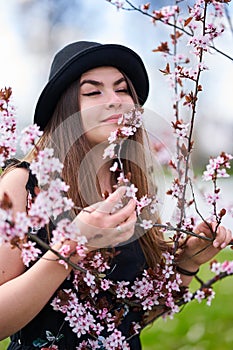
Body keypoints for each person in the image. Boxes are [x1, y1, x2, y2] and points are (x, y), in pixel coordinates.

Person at [0, 41, 231, 350]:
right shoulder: (23, 185)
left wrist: (187, 263)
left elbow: (132, 319)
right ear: (65, 107)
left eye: (122, 90)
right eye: (93, 92)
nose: (115, 101)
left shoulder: (132, 187)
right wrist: (69, 249)